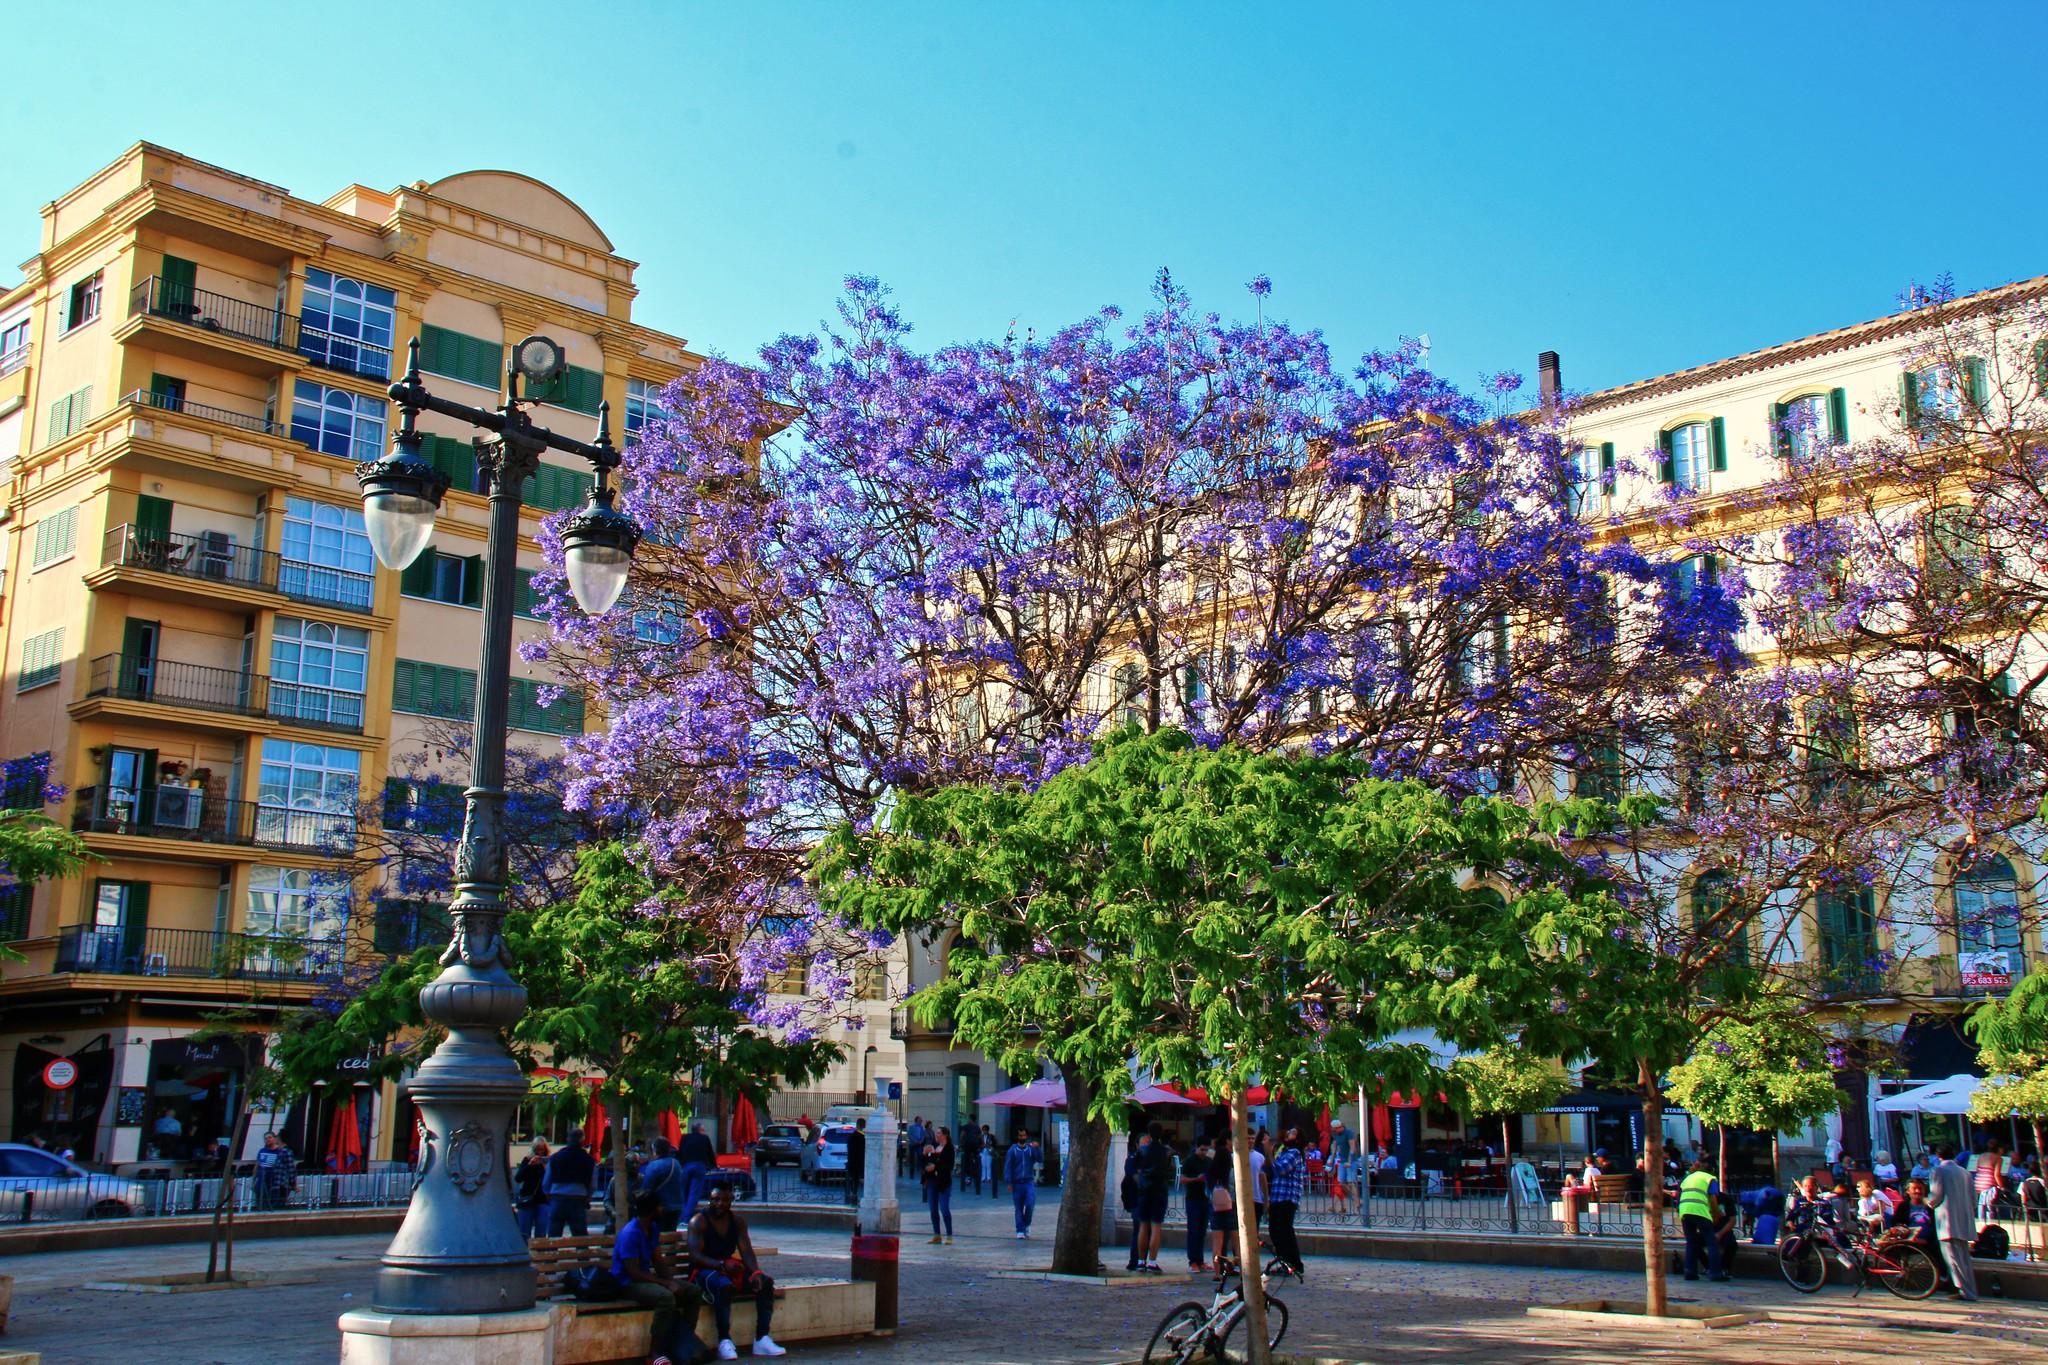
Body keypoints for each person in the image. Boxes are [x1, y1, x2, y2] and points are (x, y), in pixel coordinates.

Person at [686, 1183, 783, 1359]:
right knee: (724, 1286)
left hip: (728, 1268)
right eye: (715, 1200)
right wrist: (721, 1265)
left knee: (765, 1283)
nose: (719, 1204)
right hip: (703, 1271)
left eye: (724, 1200)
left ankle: (762, 1338)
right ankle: (724, 1341)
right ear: (710, 1200)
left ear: (731, 1200)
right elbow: (694, 1256)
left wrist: (756, 1273)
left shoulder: (737, 1222)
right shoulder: (698, 1221)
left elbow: (746, 1251)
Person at [616, 1190, 709, 1365]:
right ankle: (654, 1353)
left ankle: (682, 1343)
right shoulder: (631, 1233)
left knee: (693, 1292)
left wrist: (673, 1282)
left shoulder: (651, 1228)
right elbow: (633, 1272)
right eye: (660, 1206)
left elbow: (658, 1261)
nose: (663, 1209)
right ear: (652, 1209)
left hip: (644, 1279)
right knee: (665, 1298)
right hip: (627, 1283)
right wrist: (666, 1284)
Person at [1925, 1144, 1980, 1301]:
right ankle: (1970, 1290)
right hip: (1964, 1220)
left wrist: (1928, 1202)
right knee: (1964, 1258)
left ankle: (1964, 1291)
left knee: (1953, 1259)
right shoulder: (1964, 1172)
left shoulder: (1938, 1171)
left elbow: (1935, 1196)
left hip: (1947, 1220)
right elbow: (1973, 1200)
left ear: (1938, 1156)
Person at [1133, 1124, 1176, 1274]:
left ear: (1149, 1134)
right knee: (1156, 1225)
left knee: (1143, 1225)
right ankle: (1152, 1261)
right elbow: (1171, 1170)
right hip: (1160, 1190)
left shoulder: (1142, 1150)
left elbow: (1136, 1168)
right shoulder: (1167, 1151)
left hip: (1145, 1190)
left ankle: (1140, 1261)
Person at [1677, 1157, 1727, 1282]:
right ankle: (1716, 1273)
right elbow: (1713, 1200)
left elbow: (1679, 1195)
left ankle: (1690, 1271)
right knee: (1711, 1242)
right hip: (1700, 1211)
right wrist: (1716, 1215)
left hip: (1684, 1211)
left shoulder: (1687, 1178)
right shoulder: (1710, 1179)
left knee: (1691, 1242)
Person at [1267, 1128, 1307, 1278]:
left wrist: (1268, 1152)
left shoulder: (1294, 1153)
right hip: (1278, 1197)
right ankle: (1285, 1262)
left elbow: (1279, 1169)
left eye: (1292, 1132)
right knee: (1276, 1231)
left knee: (1283, 1231)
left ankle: (1294, 1263)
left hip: (1286, 1197)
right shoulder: (1285, 1152)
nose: (1287, 1133)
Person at [544, 1128, 598, 1237]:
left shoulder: (555, 1158)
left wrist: (548, 1194)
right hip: (578, 1200)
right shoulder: (589, 1160)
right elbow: (593, 1184)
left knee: (553, 1235)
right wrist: (588, 1196)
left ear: (567, 1139)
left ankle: (551, 1253)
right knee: (580, 1236)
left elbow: (546, 1182)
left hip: (557, 1198)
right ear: (582, 1141)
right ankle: (581, 1253)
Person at [639, 1137, 688, 1231]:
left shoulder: (654, 1166)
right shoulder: (676, 1163)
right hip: (677, 1206)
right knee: (671, 1233)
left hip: (660, 1208)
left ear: (655, 1150)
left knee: (659, 1235)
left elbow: (647, 1188)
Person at [1206, 1134, 1238, 1273]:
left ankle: (1217, 1273)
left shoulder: (1211, 1173)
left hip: (1216, 1205)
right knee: (1237, 1241)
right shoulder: (1230, 1170)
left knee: (1217, 1242)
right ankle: (1243, 1271)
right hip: (1230, 1204)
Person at [1181, 1137, 1213, 1269]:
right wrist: (1196, 1179)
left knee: (1202, 1231)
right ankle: (1192, 1260)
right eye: (1202, 1149)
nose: (1204, 1152)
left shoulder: (1208, 1161)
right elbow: (1182, 1179)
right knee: (1193, 1230)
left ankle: (1200, 1260)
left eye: (1206, 1149)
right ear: (1197, 1147)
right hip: (1193, 1198)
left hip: (1205, 1199)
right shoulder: (1189, 1161)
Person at [676, 1122, 717, 1221]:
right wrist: (713, 1166)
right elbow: (710, 1153)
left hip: (686, 1166)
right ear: (700, 1130)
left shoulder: (684, 1137)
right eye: (703, 1130)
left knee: (683, 1192)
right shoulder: (705, 1138)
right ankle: (686, 1219)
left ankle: (680, 1217)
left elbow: (680, 1152)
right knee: (694, 1193)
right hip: (699, 1166)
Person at [1005, 1128, 1040, 1237]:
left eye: (1024, 1135)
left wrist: (1037, 1148)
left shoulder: (1030, 1149)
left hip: (1028, 1182)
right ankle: (1020, 1229)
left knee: (1030, 1204)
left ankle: (1027, 1224)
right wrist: (1009, 1182)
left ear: (1027, 1136)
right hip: (1017, 1182)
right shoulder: (1013, 1150)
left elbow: (1039, 1158)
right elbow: (1008, 1166)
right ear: (1017, 1137)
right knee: (1018, 1207)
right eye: (1020, 1136)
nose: (1022, 1138)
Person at [923, 1125, 955, 1244]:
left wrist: (935, 1166)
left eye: (938, 1133)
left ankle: (949, 1235)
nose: (936, 1135)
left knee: (944, 1208)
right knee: (933, 1209)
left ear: (945, 1135)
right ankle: (937, 1234)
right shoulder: (935, 1148)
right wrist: (926, 1154)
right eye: (936, 1133)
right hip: (932, 1182)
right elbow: (927, 1163)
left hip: (943, 1182)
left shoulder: (949, 1148)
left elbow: (948, 1165)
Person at [513, 1142, 550, 1239]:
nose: (539, 1153)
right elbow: (518, 1178)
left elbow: (551, 1180)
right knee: (524, 1231)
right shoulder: (527, 1160)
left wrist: (545, 1167)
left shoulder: (548, 1162)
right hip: (527, 1198)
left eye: (542, 1150)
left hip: (542, 1199)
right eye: (537, 1150)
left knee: (541, 1231)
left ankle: (540, 1251)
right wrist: (529, 1165)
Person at [255, 1132, 295, 1211]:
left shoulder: (281, 1151)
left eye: (270, 1137)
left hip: (275, 1180)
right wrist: (255, 1179)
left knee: (274, 1201)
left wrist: (293, 1183)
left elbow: (290, 1167)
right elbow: (257, 1165)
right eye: (266, 1138)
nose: (268, 1140)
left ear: (274, 1138)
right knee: (261, 1200)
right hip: (262, 1179)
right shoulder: (262, 1150)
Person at [1971, 1140, 2008, 1221]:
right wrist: (2002, 1187)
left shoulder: (1981, 1156)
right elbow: (1996, 1175)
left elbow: (1977, 1169)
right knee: (1989, 1210)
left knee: (1981, 1208)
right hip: (1989, 1186)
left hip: (1978, 1184)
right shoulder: (1998, 1158)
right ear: (1999, 1149)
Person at [1327, 1118, 1353, 1216]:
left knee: (1338, 1190)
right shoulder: (1335, 1154)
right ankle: (1343, 1207)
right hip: (1336, 1174)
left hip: (1341, 1173)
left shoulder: (1343, 1153)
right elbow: (1331, 1163)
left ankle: (1334, 1206)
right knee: (1339, 1191)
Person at [844, 1117, 867, 1206]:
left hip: (852, 1161)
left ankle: (853, 1195)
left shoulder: (851, 1137)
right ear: (864, 1126)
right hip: (860, 1162)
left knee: (854, 1180)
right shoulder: (863, 1137)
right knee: (858, 1179)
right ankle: (855, 1196)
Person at [958, 1120, 984, 1195]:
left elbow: (962, 1135)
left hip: (967, 1145)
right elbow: (980, 1137)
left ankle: (968, 1176)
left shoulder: (966, 1126)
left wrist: (961, 1144)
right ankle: (976, 1174)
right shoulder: (977, 1127)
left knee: (966, 1159)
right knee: (976, 1158)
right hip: (975, 1145)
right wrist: (982, 1143)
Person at [979, 1124, 996, 1193]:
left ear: (987, 1130)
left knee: (988, 1165)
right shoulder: (980, 1137)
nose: (984, 1131)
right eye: (983, 1130)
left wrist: (990, 1146)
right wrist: (982, 1146)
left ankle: (988, 1178)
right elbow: (978, 1144)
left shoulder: (991, 1136)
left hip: (989, 1151)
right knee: (983, 1165)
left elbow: (994, 1143)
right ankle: (983, 1178)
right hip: (983, 1151)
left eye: (985, 1130)